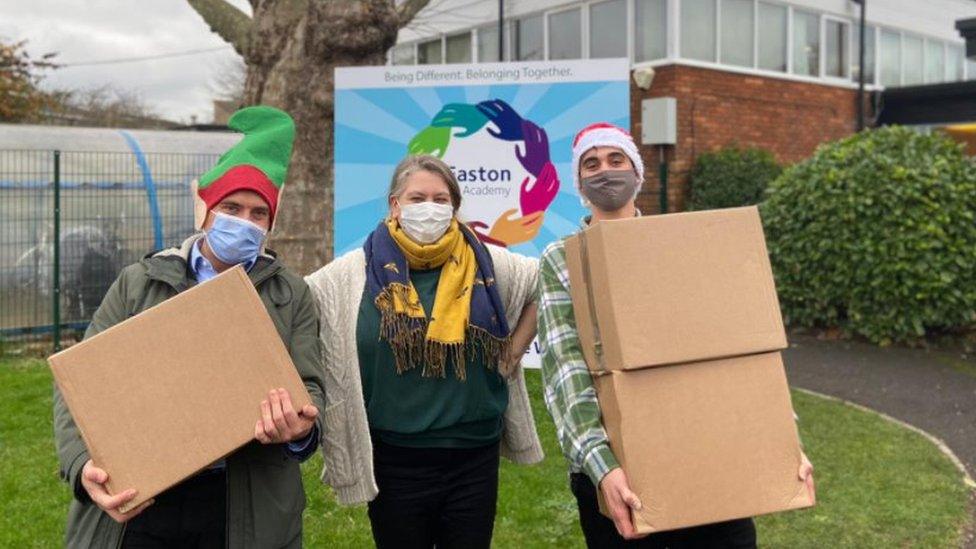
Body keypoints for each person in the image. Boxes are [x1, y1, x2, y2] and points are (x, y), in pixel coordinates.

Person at [53, 106, 327, 548]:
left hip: (240, 499)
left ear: (270, 225)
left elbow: (311, 389)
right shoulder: (139, 282)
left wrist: (301, 428)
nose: (244, 221)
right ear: (205, 210)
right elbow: (78, 386)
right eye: (231, 207)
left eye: (259, 213)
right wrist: (81, 464)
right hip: (144, 498)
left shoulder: (289, 293)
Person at [537, 123, 815, 548]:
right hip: (622, 471)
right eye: (591, 164)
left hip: (706, 451)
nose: (605, 171)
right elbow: (566, 373)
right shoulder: (562, 259)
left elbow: (736, 350)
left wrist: (783, 442)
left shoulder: (677, 246)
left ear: (637, 172)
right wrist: (603, 466)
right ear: (579, 182)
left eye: (616, 160)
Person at [304, 154, 543, 549]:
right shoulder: (352, 274)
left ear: (454, 207)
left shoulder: (485, 261)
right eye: (417, 198)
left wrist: (513, 353)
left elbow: (545, 282)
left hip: (474, 456)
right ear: (395, 205)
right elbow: (296, 307)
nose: (429, 208)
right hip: (395, 460)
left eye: (440, 198)